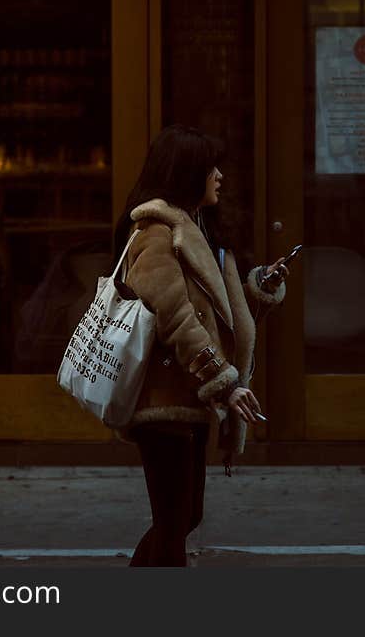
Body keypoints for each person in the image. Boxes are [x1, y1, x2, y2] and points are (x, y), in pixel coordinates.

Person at [114, 125, 290, 567]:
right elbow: (175, 317)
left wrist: (259, 288)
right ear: (186, 171)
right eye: (210, 167)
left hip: (188, 396)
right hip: (163, 401)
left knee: (185, 516)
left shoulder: (198, 230)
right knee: (174, 521)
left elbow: (213, 318)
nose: (219, 176)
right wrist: (223, 381)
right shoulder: (156, 233)